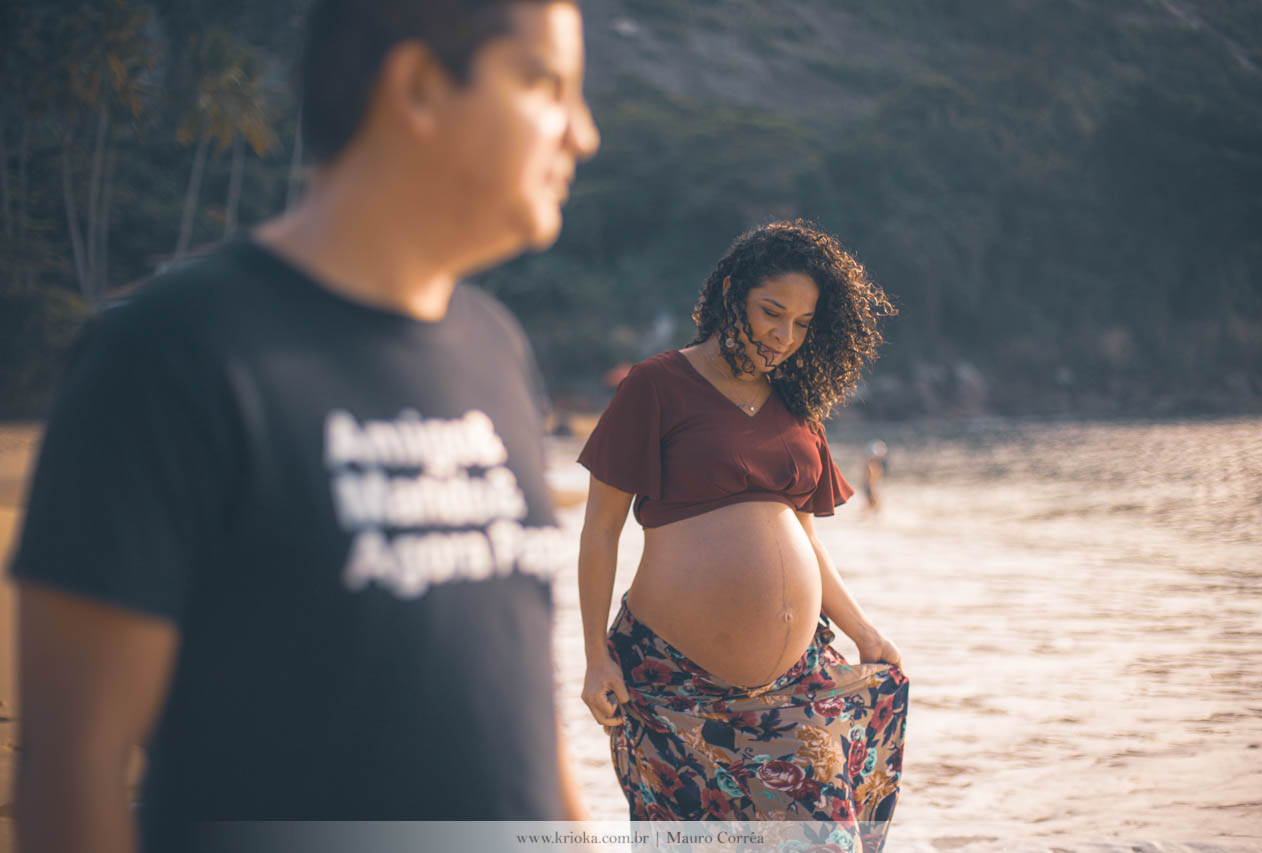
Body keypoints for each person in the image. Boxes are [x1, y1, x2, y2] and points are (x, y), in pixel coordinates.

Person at [9, 1, 599, 851]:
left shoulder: (493, 348)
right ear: (421, 87)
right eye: (546, 84)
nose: (583, 134)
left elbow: (530, 730)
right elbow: (73, 777)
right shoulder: (171, 354)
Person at [576, 221, 908, 849]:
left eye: (803, 323)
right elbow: (599, 533)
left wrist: (865, 631)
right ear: (732, 294)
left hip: (796, 687)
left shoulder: (797, 405)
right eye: (771, 313)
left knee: (825, 839)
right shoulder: (656, 385)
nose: (784, 337)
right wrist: (595, 656)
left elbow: (806, 541)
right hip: (674, 684)